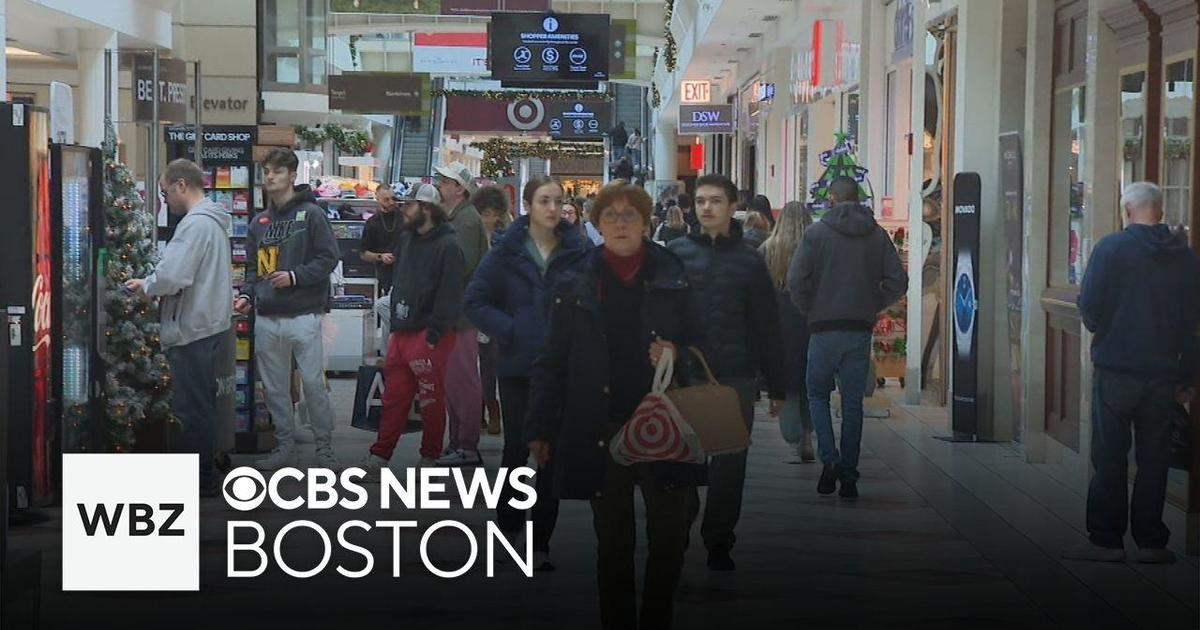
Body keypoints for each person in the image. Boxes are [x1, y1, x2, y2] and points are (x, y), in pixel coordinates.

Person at [525, 181, 705, 630]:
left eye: (630, 215)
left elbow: (705, 341)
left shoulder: (673, 273)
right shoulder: (576, 278)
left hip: (667, 423)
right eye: (611, 215)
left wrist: (677, 353)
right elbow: (552, 358)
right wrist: (540, 429)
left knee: (669, 539)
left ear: (647, 223)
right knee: (613, 540)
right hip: (602, 424)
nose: (621, 223)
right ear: (596, 223)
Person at [1062, 182, 1200, 564]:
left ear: (1126, 211)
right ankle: (1152, 541)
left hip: (1116, 369)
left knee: (1109, 455)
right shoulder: (1186, 258)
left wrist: (1105, 326)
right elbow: (1192, 324)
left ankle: (1106, 540)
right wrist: (1188, 378)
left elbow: (1090, 309)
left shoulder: (1111, 249)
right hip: (1163, 373)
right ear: (1159, 211)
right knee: (1155, 455)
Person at [465, 176, 589, 573]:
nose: (552, 209)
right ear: (529, 206)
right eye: (543, 201)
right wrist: (511, 329)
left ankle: (540, 543)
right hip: (518, 367)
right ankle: (508, 535)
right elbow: (475, 300)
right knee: (517, 452)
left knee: (549, 455)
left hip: (561, 369)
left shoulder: (578, 251)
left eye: (558, 201)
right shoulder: (506, 252)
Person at [668, 173, 786, 572]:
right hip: (685, 374)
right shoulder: (676, 252)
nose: (706, 208)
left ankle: (719, 540)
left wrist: (777, 385)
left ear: (733, 205)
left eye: (715, 201)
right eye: (700, 201)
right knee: (682, 461)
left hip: (735, 376)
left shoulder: (751, 261)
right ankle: (679, 530)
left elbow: (767, 324)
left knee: (730, 465)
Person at [788, 176, 907, 498]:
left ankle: (830, 461)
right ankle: (850, 473)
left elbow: (795, 280)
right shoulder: (877, 236)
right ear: (859, 198)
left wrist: (809, 309)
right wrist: (871, 304)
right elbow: (898, 280)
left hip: (823, 328)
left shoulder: (816, 234)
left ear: (831, 199)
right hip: (859, 329)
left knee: (817, 395)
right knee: (853, 403)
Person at [125, 158, 232, 496]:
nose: (164, 199)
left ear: (181, 185)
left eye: (164, 191)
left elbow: (174, 275)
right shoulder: (212, 222)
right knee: (200, 405)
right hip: (207, 325)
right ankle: (204, 475)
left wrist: (148, 284)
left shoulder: (195, 225)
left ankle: (199, 481)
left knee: (191, 408)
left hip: (192, 329)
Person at [237, 148, 341, 471]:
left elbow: (328, 258)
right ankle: (285, 447)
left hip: (304, 314)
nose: (270, 176)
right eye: (267, 171)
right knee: (274, 387)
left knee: (312, 383)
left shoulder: (311, 214)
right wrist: (247, 296)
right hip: (267, 316)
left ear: (293, 176)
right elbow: (253, 270)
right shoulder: (258, 223)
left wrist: (295, 276)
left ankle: (324, 448)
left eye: (277, 171)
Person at [359, 184, 465, 474]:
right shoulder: (406, 240)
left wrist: (434, 335)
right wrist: (395, 324)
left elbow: (450, 293)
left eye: (411, 204)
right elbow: (400, 281)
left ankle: (429, 456)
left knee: (431, 399)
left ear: (427, 208)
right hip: (403, 332)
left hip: (430, 334)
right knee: (394, 397)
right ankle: (380, 455)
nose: (405, 209)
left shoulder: (448, 246)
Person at [434, 161, 488, 466]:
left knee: (463, 379)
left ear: (460, 189)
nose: (441, 185)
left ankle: (467, 444)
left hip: (461, 314)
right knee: (453, 381)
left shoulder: (465, 222)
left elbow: (459, 266)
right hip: (453, 313)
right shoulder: (456, 217)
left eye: (446, 181)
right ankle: (457, 442)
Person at [760, 202, 815, 462]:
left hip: (780, 319)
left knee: (788, 382)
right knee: (810, 381)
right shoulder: (816, 247)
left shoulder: (769, 248)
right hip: (810, 318)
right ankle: (808, 435)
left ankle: (793, 437)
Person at [473, 185, 512, 436]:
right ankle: (478, 410)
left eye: (491, 212)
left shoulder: (505, 239)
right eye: (483, 212)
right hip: (472, 305)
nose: (488, 217)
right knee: (471, 363)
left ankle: (492, 407)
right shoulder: (469, 234)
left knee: (489, 363)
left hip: (496, 308)